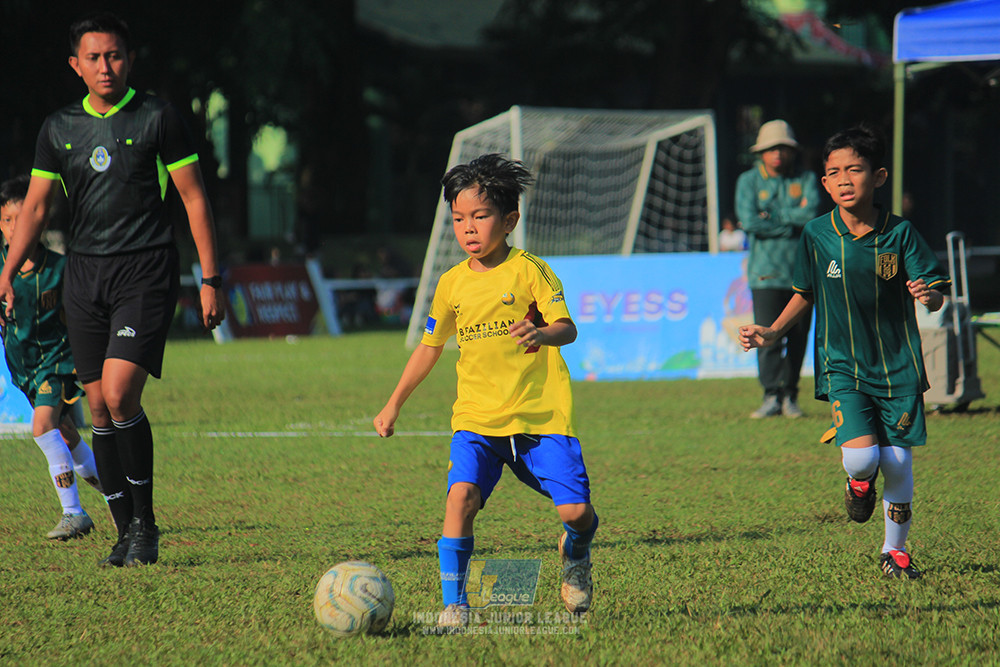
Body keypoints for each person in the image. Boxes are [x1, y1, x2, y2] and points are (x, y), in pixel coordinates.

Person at [0, 12, 225, 567]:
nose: (106, 66)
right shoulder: (58, 128)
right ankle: (123, 533)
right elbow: (34, 207)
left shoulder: (157, 117)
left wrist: (211, 277)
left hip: (145, 272)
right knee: (97, 408)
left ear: (130, 58)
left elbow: (194, 198)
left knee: (122, 394)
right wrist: (4, 274)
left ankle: (146, 525)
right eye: (94, 58)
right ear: (76, 65)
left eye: (115, 55)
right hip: (85, 277)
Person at [373, 154, 598, 627]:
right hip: (475, 418)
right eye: (458, 218)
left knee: (577, 513)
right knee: (460, 499)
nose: (468, 228)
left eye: (480, 216)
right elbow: (429, 348)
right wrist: (393, 405)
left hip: (540, 417)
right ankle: (455, 605)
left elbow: (567, 327)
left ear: (510, 219)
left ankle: (575, 552)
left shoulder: (530, 270)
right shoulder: (451, 283)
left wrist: (542, 334)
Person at [739, 123, 949, 579]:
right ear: (825, 182)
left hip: (899, 368)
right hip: (842, 365)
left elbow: (934, 288)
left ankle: (895, 552)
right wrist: (772, 332)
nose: (844, 180)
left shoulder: (901, 234)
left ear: (878, 176)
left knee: (897, 464)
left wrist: (928, 295)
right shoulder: (816, 234)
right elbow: (804, 291)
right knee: (862, 458)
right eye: (834, 172)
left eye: (855, 170)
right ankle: (857, 482)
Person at [0, 175, 104, 540]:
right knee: (66, 433)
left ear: (40, 221)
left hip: (58, 362)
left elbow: (90, 311)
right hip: (22, 369)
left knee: (43, 425)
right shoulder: (1, 272)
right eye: (8, 220)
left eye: (24, 218)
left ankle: (74, 513)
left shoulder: (61, 269)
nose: (16, 228)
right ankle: (119, 493)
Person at [735, 119, 820, 418]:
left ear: (792, 151)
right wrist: (789, 222)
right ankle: (771, 394)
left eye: (783, 148)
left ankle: (791, 395)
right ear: (761, 152)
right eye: (771, 149)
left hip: (802, 272)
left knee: (798, 336)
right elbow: (750, 221)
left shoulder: (807, 177)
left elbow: (810, 215)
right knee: (767, 337)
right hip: (765, 273)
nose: (778, 155)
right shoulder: (748, 181)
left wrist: (772, 217)